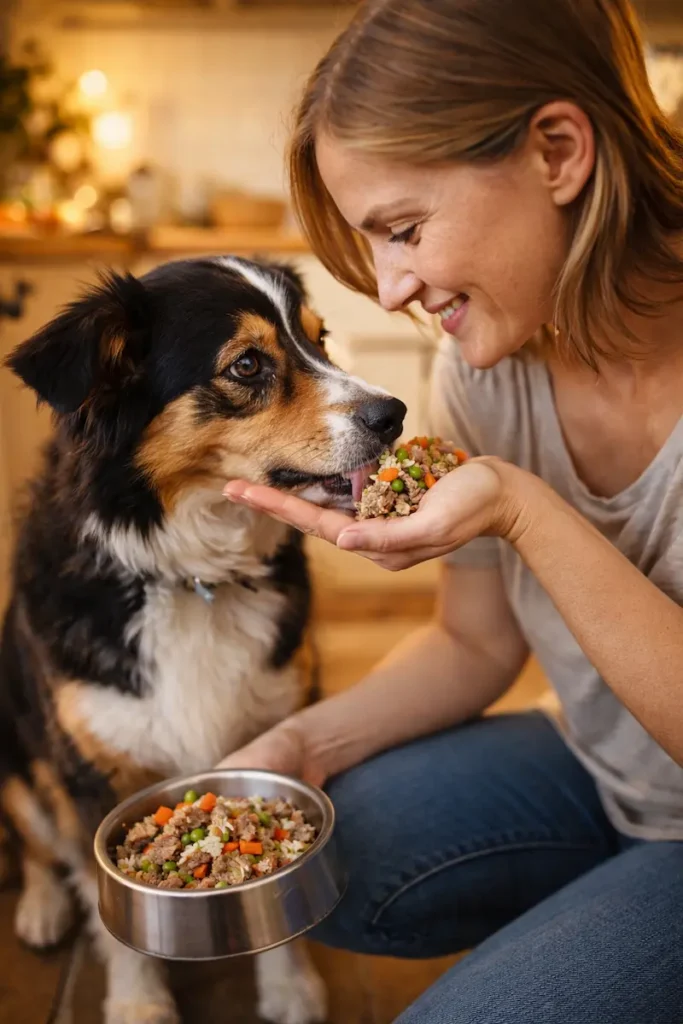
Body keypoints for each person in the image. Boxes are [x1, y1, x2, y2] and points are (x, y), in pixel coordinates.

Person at [220, 0, 683, 1019]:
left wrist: (523, 510)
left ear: (556, 151)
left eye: (405, 228)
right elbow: (474, 644)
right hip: (612, 777)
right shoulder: (488, 368)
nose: (387, 289)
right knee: (321, 849)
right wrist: (304, 748)